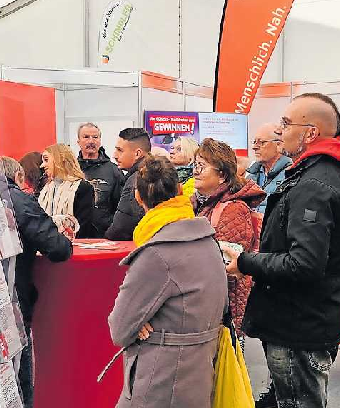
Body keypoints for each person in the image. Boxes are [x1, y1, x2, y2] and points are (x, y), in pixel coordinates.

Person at [222, 93, 340, 408]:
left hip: (300, 325)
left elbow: (304, 264)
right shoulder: (326, 175)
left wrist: (245, 261)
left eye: (286, 124)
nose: (280, 131)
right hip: (304, 319)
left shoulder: (315, 184)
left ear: (310, 133)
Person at [108, 156, 227, 408]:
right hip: (200, 374)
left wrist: (138, 323)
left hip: (160, 380)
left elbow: (119, 328)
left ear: (139, 198)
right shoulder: (207, 240)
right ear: (181, 190)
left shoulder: (156, 253)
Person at [0, 157, 73, 408]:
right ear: (17, 176)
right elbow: (58, 248)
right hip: (12, 304)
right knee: (18, 380)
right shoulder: (18, 200)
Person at [192, 138, 266, 340]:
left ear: (222, 175)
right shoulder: (200, 204)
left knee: (224, 368)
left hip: (224, 312)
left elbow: (227, 265)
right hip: (208, 304)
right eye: (195, 165)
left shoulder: (233, 209)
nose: (195, 171)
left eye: (202, 166)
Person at [39, 144, 97, 239]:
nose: (42, 165)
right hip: (47, 246)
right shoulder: (44, 188)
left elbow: (83, 226)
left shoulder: (83, 187)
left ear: (59, 159)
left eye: (46, 160)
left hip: (74, 246)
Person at [76, 123, 124, 237]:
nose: (91, 141)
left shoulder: (114, 171)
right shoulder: (71, 170)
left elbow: (122, 207)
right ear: (78, 142)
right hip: (77, 236)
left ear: (100, 141)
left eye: (95, 137)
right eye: (86, 137)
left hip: (105, 236)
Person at [106, 128, 152, 241]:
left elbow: (121, 227)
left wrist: (107, 236)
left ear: (137, 153)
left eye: (120, 150)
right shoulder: (158, 174)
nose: (115, 155)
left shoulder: (136, 180)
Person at [246, 123, 292, 213]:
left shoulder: (291, 176)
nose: (254, 147)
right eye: (254, 142)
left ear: (279, 144)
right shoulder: (251, 176)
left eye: (261, 142)